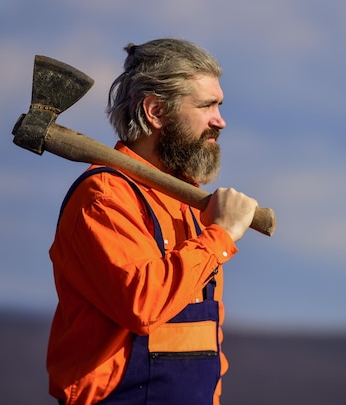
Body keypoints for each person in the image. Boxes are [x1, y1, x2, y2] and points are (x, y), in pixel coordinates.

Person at [46, 38, 258, 405]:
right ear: (156, 111)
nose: (220, 121)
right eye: (207, 105)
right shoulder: (104, 198)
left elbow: (205, 340)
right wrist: (220, 235)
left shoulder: (191, 206)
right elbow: (143, 305)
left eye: (219, 105)